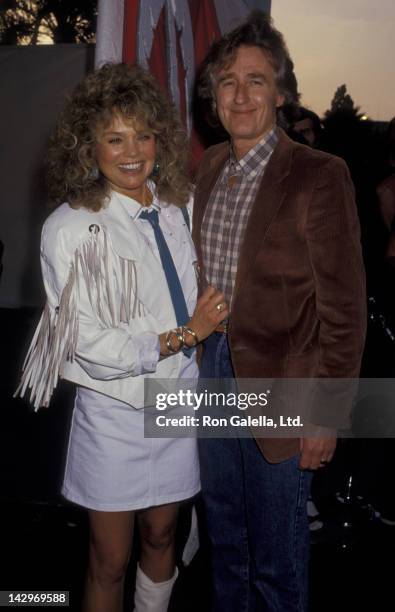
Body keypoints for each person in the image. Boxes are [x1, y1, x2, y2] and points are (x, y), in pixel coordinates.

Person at [17, 63, 228, 612]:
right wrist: (183, 335)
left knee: (163, 538)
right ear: (89, 147)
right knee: (108, 559)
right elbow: (88, 343)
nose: (132, 151)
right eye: (115, 138)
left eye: (143, 135)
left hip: (178, 398)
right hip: (114, 411)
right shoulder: (68, 227)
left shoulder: (178, 208)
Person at [193, 11, 366, 612]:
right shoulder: (209, 167)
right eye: (227, 82)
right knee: (226, 539)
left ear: (282, 92)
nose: (240, 94)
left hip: (283, 383)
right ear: (212, 97)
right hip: (211, 367)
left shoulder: (320, 174)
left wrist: (327, 415)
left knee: (277, 551)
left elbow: (344, 309)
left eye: (256, 80)